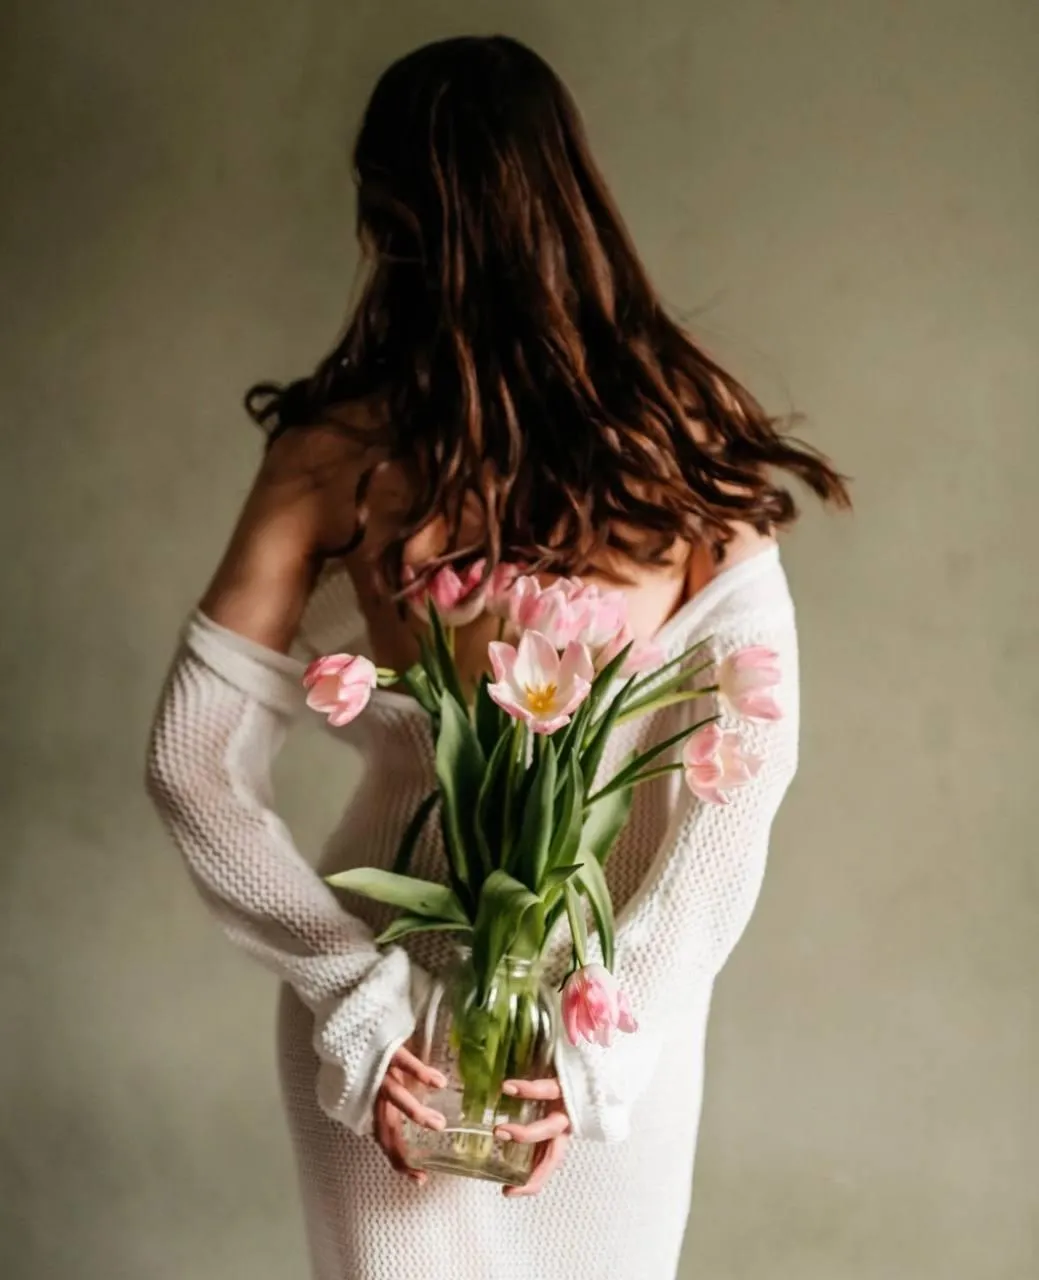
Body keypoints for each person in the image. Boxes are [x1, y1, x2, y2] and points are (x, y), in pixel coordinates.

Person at [145, 33, 849, 1280]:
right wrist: (605, 1029)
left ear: (387, 218)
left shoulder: (337, 451)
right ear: (574, 195)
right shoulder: (686, 441)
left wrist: (357, 1000)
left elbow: (187, 758)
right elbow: (750, 775)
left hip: (400, 1021)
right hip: (587, 1016)